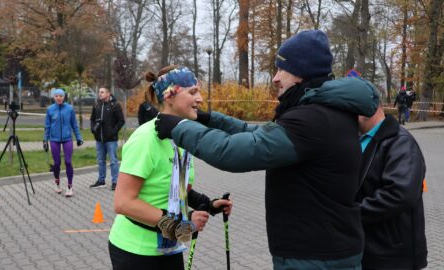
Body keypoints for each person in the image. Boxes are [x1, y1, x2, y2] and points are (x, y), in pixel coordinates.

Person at [155, 30, 380, 269]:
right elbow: (255, 134)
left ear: (301, 75)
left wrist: (179, 127)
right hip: (319, 251)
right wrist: (209, 119)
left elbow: (233, 152)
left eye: (281, 69)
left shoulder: (312, 119)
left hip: (315, 257)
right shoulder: (321, 111)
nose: (274, 78)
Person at [108, 65, 233, 270]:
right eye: (192, 92)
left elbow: (177, 188)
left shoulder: (183, 136)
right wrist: (179, 225)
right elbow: (123, 203)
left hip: (170, 247)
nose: (200, 99)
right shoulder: (146, 139)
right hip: (135, 251)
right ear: (170, 96)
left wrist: (208, 204)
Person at [356, 105, 427, 270]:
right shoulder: (360, 138)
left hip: (393, 254)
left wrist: (352, 213)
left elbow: (400, 194)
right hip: (369, 248)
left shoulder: (400, 141)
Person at [43, 88, 84, 197]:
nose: (58, 98)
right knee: (57, 163)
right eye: (56, 96)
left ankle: (70, 187)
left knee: (68, 162)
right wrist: (45, 140)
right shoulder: (50, 109)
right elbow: (47, 126)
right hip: (54, 139)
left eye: (60, 96)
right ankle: (57, 183)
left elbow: (74, 125)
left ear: (64, 97)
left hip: (67, 139)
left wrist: (79, 137)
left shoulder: (69, 109)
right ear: (54, 97)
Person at [89, 87, 125, 191]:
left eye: (102, 92)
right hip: (99, 139)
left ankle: (115, 182)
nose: (100, 94)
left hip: (111, 140)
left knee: (113, 161)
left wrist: (113, 131)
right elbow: (92, 119)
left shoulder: (115, 105)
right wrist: (93, 129)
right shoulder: (96, 105)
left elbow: (121, 121)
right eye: (99, 92)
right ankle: (101, 181)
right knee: (100, 160)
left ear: (108, 93)